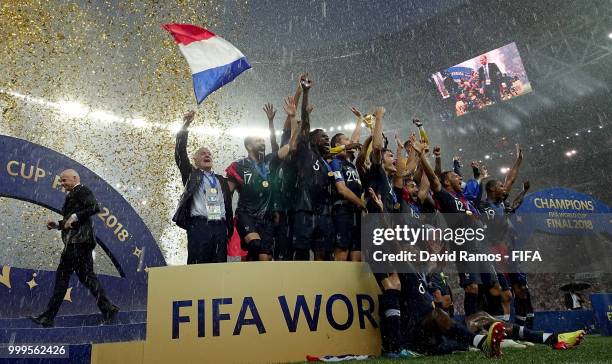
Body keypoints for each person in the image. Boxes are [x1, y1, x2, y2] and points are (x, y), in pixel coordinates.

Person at [31, 169, 119, 327]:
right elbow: (71, 221)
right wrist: (58, 224)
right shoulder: (74, 194)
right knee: (88, 278)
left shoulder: (82, 190)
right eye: (61, 181)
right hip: (79, 243)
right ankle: (108, 308)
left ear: (74, 178)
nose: (62, 184)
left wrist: (74, 217)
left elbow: (93, 207)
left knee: (63, 279)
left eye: (64, 180)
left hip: (77, 243)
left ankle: (48, 317)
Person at [226, 98, 297, 261]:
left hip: (267, 218)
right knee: (254, 245)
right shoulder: (238, 166)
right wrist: (227, 220)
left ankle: (256, 284)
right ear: (249, 146)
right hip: (247, 215)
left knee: (264, 259)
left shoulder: (270, 161)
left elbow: (290, 146)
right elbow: (227, 194)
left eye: (263, 140)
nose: (263, 142)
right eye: (258, 140)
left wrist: (292, 118)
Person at [173, 111, 233, 264]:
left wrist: (227, 229)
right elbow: (180, 154)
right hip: (199, 226)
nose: (207, 155)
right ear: (195, 160)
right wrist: (185, 126)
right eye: (202, 153)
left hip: (219, 227)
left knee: (219, 269)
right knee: (198, 267)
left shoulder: (221, 180)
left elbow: (227, 205)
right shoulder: (192, 175)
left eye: (209, 153)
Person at [289, 74, 335, 261]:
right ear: (312, 138)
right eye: (323, 136)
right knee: (301, 252)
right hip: (304, 209)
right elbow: (305, 122)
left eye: (327, 137)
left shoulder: (326, 162)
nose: (326, 138)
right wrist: (306, 93)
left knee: (321, 253)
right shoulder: (306, 149)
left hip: (323, 211)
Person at [329, 106, 365, 261]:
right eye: (346, 140)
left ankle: (352, 286)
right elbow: (342, 190)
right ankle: (337, 285)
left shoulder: (350, 162)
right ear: (338, 144)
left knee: (356, 251)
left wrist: (360, 120)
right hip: (343, 210)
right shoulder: (335, 161)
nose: (351, 143)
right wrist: (361, 203)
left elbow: (355, 141)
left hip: (355, 211)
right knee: (342, 251)